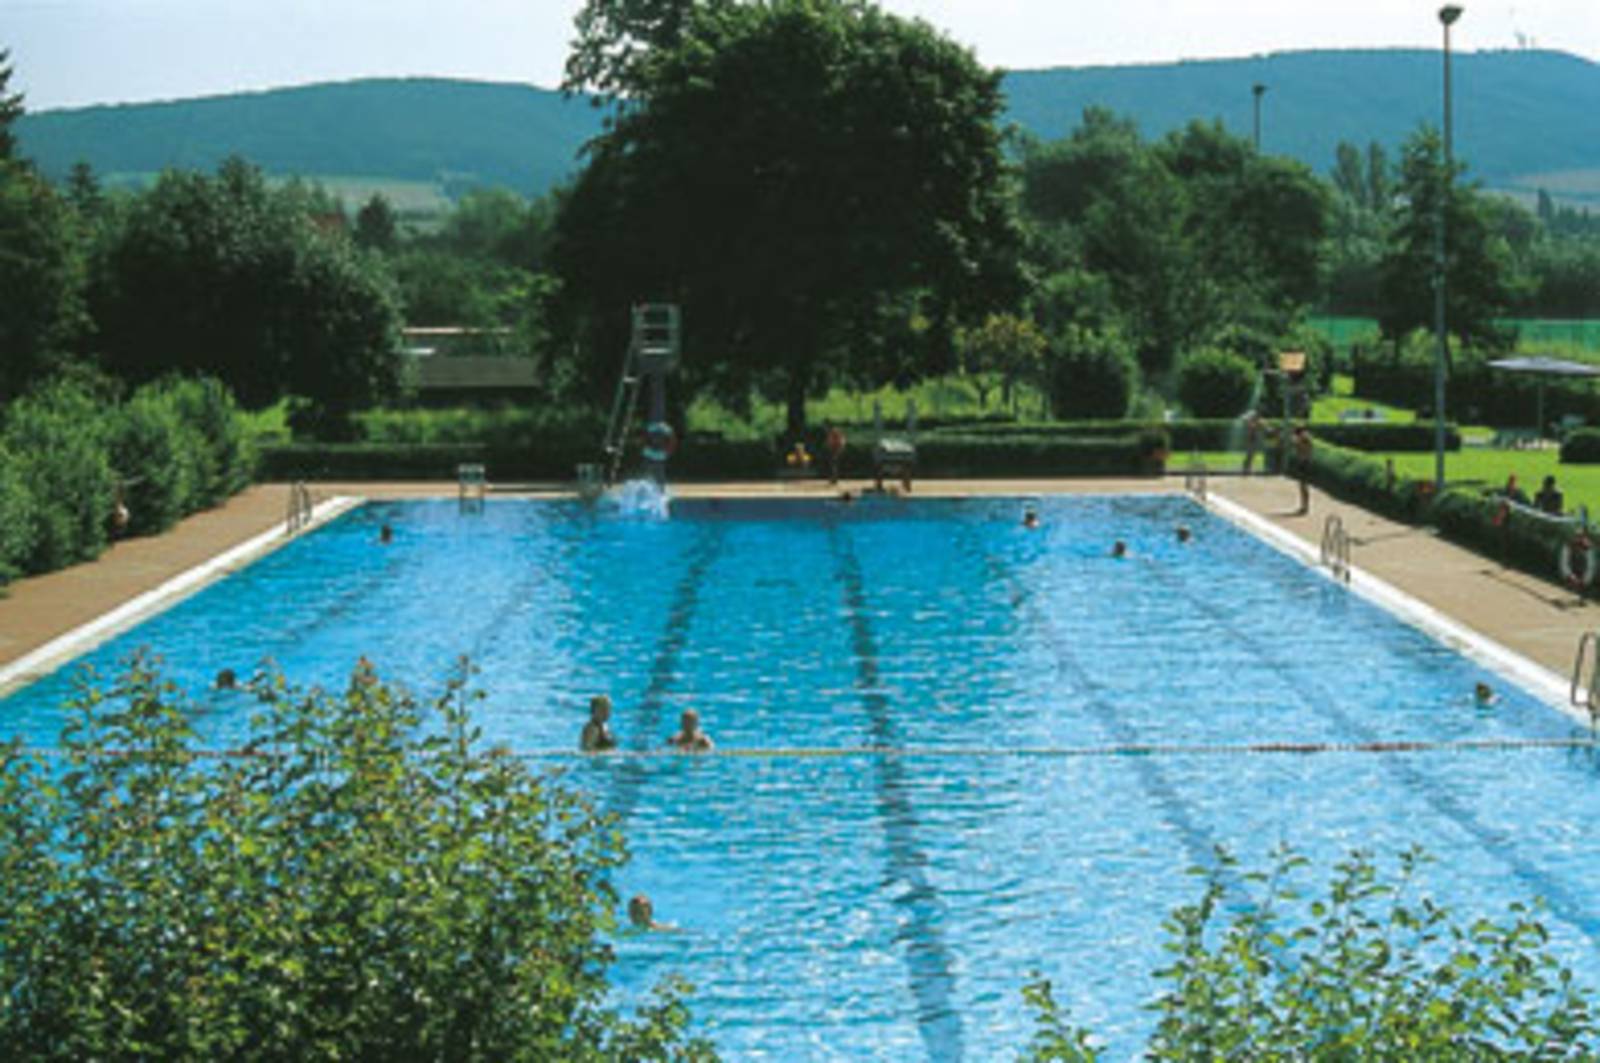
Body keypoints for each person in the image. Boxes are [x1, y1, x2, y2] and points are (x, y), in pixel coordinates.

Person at [1290, 426, 1313, 516]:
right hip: (1303, 463)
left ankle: (1305, 507)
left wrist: (1297, 442)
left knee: (1304, 486)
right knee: (1302, 486)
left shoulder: (1305, 440)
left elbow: (1304, 451)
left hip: (1305, 464)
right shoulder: (1304, 440)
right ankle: (1304, 506)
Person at [1241, 411, 1261, 476]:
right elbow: (1244, 418)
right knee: (1249, 455)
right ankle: (1246, 469)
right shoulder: (1250, 423)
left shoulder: (1254, 423)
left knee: (1251, 455)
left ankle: (1247, 469)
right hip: (1250, 441)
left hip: (1253, 441)